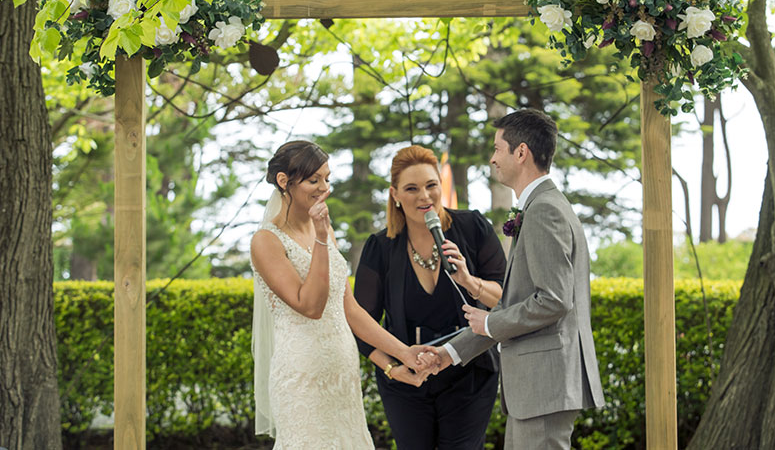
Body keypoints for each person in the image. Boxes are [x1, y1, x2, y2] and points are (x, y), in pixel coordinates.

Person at [430, 109, 605, 450]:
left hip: (544, 386)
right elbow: (518, 305)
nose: (492, 158)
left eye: (497, 148)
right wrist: (449, 352)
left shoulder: (544, 210)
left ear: (521, 152)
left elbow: (553, 300)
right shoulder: (543, 206)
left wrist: (491, 323)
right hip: (539, 389)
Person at [250, 140, 434, 449]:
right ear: (284, 182)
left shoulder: (323, 228)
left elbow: (349, 309)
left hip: (342, 373)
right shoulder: (266, 241)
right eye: (314, 179)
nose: (324, 188)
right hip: (302, 377)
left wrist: (404, 353)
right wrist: (321, 238)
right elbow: (310, 306)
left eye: (327, 178)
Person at [354, 145, 506, 450]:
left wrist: (469, 280)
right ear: (394, 194)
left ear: (441, 185)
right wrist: (391, 369)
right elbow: (361, 325)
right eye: (411, 188)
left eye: (431, 185)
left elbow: (506, 300)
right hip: (406, 378)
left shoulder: (473, 228)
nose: (424, 196)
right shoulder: (379, 248)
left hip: (469, 372)